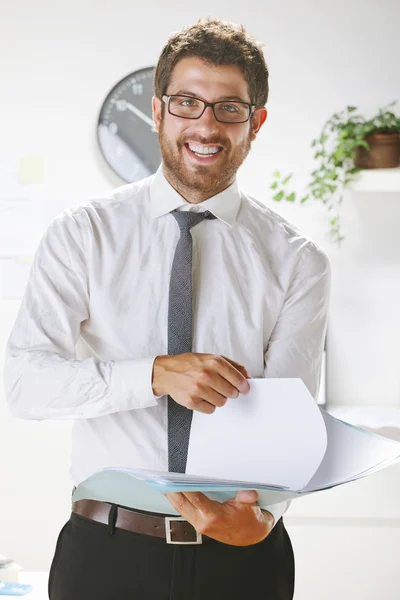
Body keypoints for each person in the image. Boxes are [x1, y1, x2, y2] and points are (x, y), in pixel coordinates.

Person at [3, 17, 331, 600]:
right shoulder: (83, 234)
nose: (206, 125)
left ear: (254, 123)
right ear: (157, 112)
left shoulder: (298, 261)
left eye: (229, 108)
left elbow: (292, 419)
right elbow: (25, 383)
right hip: (105, 555)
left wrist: (262, 519)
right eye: (187, 103)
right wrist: (153, 374)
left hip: (245, 557)